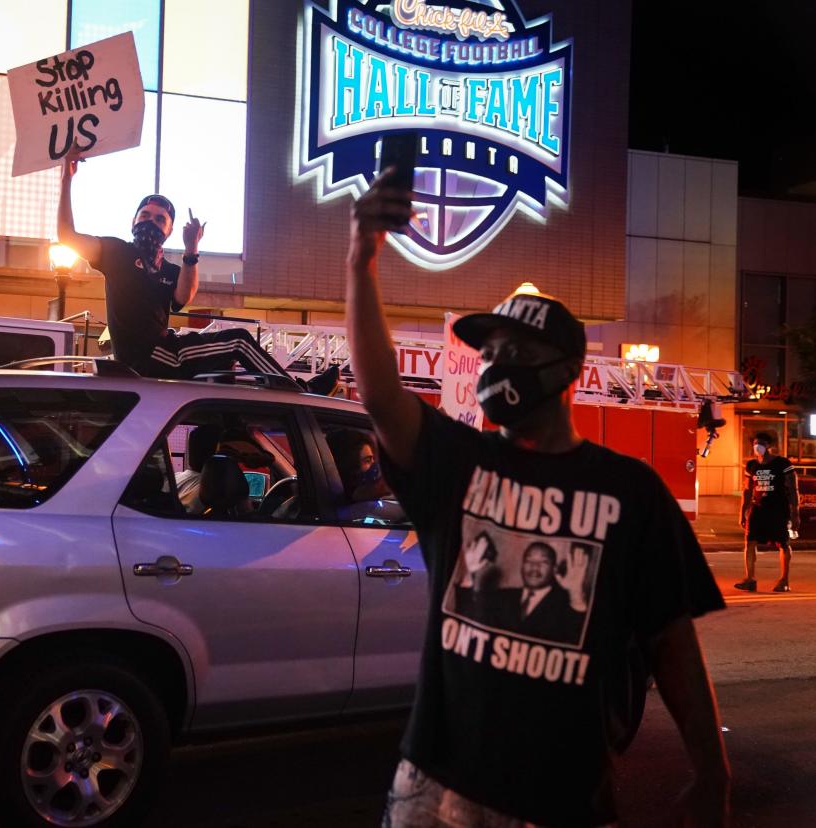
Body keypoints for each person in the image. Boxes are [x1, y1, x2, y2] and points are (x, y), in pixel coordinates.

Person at [347, 170, 730, 826]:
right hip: (434, 790)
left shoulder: (630, 493)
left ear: (564, 370)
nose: (496, 364)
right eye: (489, 352)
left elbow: (671, 641)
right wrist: (361, 260)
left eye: (515, 350)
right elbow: (382, 396)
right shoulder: (459, 463)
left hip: (562, 800)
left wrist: (712, 771)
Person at [57, 151, 339, 394]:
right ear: (133, 221)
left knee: (222, 367)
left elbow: (183, 297)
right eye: (145, 215)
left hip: (166, 350)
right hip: (148, 357)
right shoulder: (116, 252)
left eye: (159, 219)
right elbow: (67, 235)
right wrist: (67, 180)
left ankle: (225, 434)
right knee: (238, 340)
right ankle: (301, 392)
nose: (150, 222)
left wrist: (191, 247)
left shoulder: (169, 269)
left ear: (168, 231)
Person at [735, 430, 800, 592]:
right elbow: (747, 490)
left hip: (778, 509)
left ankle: (784, 581)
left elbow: (793, 489)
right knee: (749, 542)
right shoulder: (751, 465)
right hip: (758, 510)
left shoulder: (782, 463)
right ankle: (750, 579)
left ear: (769, 446)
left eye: (762, 444)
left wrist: (795, 513)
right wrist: (743, 512)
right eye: (756, 443)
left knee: (783, 544)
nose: (758, 447)